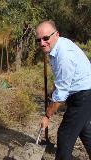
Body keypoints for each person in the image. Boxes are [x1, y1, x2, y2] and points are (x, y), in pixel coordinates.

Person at [36, 20, 91, 159]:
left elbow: (61, 93)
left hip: (83, 95)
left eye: (46, 38)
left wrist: (47, 116)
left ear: (56, 34)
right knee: (85, 131)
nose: (42, 43)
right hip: (81, 93)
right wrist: (54, 90)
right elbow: (61, 80)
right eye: (39, 40)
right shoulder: (56, 47)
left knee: (65, 135)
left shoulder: (64, 54)